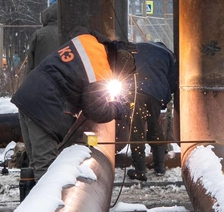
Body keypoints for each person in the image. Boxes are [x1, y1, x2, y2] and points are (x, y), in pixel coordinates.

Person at [12, 26, 136, 182]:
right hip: (44, 107)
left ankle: (30, 202)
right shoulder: (101, 70)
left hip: (28, 94)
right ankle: (49, 204)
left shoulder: (91, 42)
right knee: (46, 168)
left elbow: (78, 30)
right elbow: (95, 110)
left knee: (34, 161)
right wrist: (117, 108)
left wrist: (113, 44)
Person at [120, 41, 178, 181]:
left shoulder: (136, 48)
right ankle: (160, 167)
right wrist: (163, 99)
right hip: (156, 94)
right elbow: (172, 81)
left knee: (136, 128)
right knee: (154, 125)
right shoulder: (168, 54)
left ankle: (140, 171)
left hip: (134, 90)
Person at [26, 1, 59, 74]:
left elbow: (31, 62)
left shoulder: (39, 34)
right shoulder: (67, 34)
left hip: (41, 78)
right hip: (62, 80)